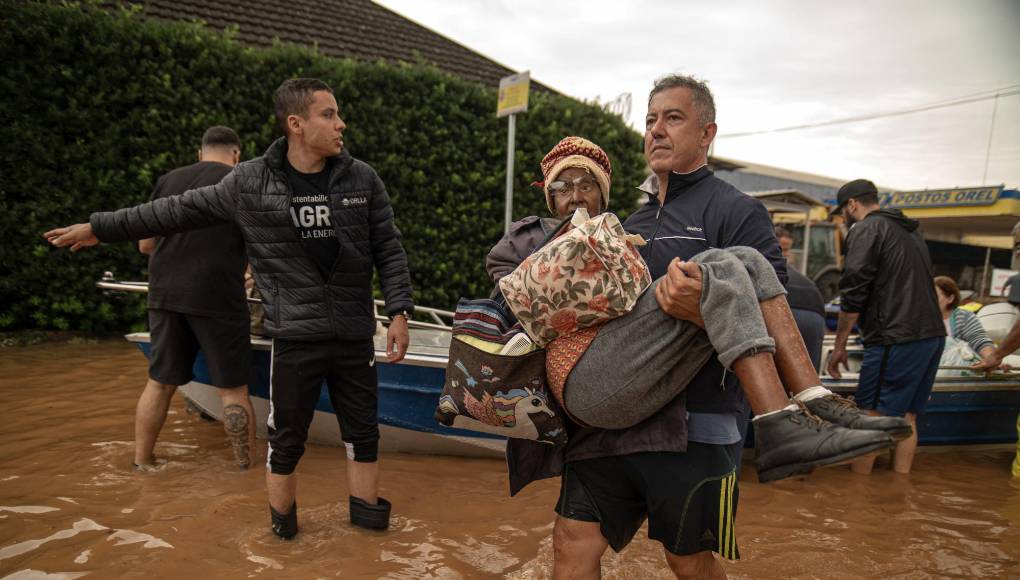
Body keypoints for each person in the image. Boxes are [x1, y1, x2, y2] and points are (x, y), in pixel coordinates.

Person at [494, 75, 906, 578]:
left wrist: (700, 308)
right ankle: (792, 414)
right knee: (572, 541)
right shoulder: (631, 224)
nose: (657, 131)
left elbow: (772, 306)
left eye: (673, 118)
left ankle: (807, 405)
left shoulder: (737, 209)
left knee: (688, 561)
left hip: (696, 425)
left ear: (707, 133)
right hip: (611, 421)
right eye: (650, 121)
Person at [44, 78, 413, 539]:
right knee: (286, 443)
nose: (341, 123)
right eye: (329, 114)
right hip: (295, 338)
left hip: (355, 334)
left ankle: (366, 541)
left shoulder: (362, 179)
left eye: (338, 114)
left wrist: (399, 310)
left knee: (364, 438)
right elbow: (170, 212)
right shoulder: (249, 181)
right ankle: (283, 542)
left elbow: (389, 249)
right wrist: (99, 227)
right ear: (296, 124)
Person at [132, 126, 256, 471]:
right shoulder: (243, 184)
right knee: (233, 391)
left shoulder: (168, 180)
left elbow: (145, 244)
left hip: (165, 292)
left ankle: (142, 464)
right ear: (236, 155)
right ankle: (245, 472)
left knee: (159, 383)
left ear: (200, 153)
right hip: (219, 296)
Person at [826, 178, 946, 476]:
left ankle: (857, 500)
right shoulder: (911, 231)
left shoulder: (865, 229)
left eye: (842, 212)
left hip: (896, 337)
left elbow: (854, 290)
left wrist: (839, 346)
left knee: (871, 416)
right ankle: (898, 489)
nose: (843, 219)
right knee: (907, 417)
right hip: (932, 335)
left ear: (852, 205)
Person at [774, 226, 826, 370]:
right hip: (815, 314)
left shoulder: (767, 270)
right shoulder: (801, 278)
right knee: (809, 378)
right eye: (782, 249)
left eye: (787, 250)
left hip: (791, 311)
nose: (785, 255)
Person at [933, 275, 997, 370]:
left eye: (935, 296)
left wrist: (992, 359)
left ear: (950, 298)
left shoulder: (963, 317)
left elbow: (979, 340)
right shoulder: (918, 317)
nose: (929, 301)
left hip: (950, 372)